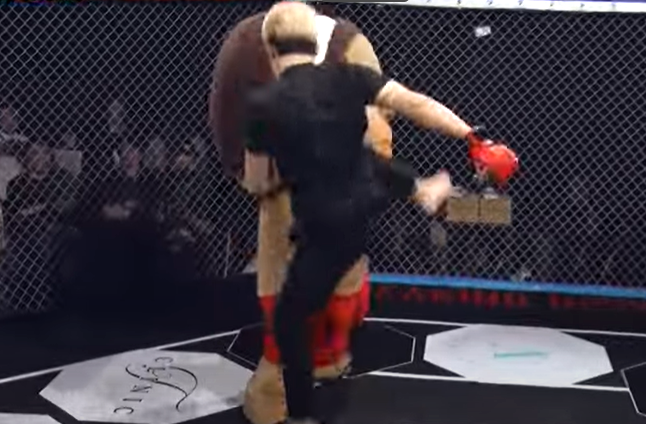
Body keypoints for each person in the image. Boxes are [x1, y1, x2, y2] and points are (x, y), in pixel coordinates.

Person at [245, 2, 518, 424]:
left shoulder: (263, 103)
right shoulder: (348, 76)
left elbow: (257, 182)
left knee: (288, 320)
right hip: (365, 203)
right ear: (315, 42)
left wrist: (286, 153)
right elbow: (413, 103)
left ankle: (301, 416)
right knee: (360, 154)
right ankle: (421, 189)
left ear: (270, 48)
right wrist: (471, 135)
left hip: (328, 227)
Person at [209, 5, 399, 424]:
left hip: (332, 192)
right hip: (295, 190)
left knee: (333, 280)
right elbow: (233, 118)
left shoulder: (344, 52)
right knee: (291, 287)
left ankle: (318, 358)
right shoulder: (256, 54)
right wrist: (249, 169)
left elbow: (381, 117)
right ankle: (282, 379)